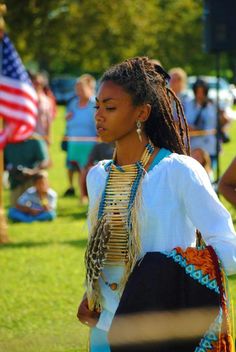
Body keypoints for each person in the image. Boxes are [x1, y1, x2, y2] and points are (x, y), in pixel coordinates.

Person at [76, 57, 236, 351]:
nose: (99, 115)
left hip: (160, 330)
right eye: (97, 106)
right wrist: (92, 292)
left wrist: (168, 272)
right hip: (104, 329)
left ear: (142, 112)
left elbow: (228, 247)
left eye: (110, 107)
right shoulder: (98, 176)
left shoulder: (178, 171)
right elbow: (104, 250)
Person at [63, 74, 97, 203]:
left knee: (86, 169)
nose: (78, 91)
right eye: (77, 88)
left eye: (81, 88)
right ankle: (79, 193)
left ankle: (85, 196)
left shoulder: (95, 103)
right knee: (76, 168)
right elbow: (68, 119)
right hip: (73, 141)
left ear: (89, 88)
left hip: (90, 142)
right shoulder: (72, 103)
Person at [185, 78, 229, 170]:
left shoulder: (213, 104)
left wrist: (222, 121)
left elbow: (225, 120)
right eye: (198, 91)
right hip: (193, 146)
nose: (200, 94)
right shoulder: (187, 104)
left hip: (210, 146)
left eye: (202, 92)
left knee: (209, 173)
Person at [4, 134, 49, 207]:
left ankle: (43, 204)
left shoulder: (34, 140)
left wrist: (33, 171)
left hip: (33, 178)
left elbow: (44, 161)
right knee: (16, 209)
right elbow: (3, 163)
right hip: (15, 179)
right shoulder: (7, 141)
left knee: (42, 176)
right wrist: (14, 170)